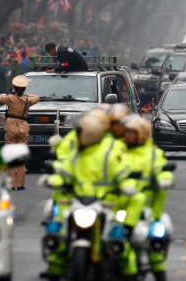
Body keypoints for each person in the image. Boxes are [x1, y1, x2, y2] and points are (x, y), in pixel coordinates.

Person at [38, 114, 144, 281]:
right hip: (80, 201)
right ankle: (56, 267)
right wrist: (52, 180)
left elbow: (122, 172)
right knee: (59, 230)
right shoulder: (76, 153)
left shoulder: (109, 152)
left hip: (104, 202)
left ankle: (128, 271)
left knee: (118, 235)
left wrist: (127, 185)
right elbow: (65, 172)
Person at [123, 115, 173, 281]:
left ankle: (159, 273)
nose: (127, 136)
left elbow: (163, 169)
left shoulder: (153, 153)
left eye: (132, 132)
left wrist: (164, 179)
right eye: (126, 132)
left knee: (155, 241)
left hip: (147, 207)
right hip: (120, 205)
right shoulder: (117, 151)